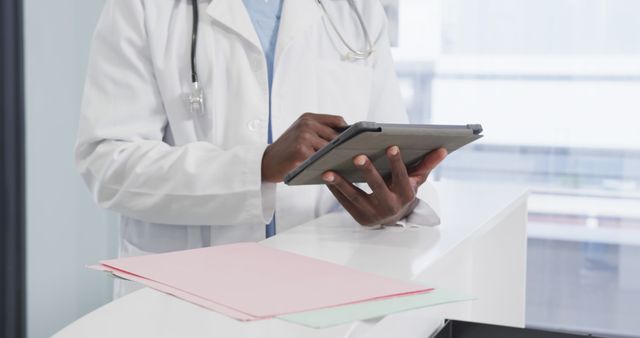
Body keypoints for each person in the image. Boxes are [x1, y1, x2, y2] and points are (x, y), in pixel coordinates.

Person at [75, 0, 446, 296]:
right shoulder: (144, 7)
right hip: (187, 292)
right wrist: (259, 165)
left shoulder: (355, 11)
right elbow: (108, 164)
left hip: (326, 287)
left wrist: (396, 204)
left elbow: (387, 151)